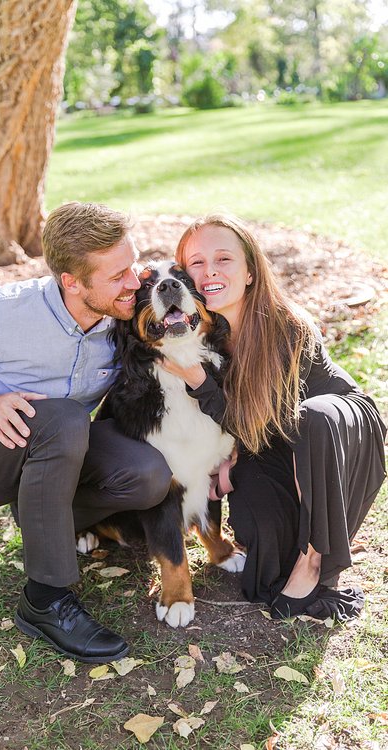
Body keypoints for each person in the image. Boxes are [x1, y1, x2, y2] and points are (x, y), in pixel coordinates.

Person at [0, 202, 173, 663]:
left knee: (148, 475)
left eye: (134, 264)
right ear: (72, 282)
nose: (135, 282)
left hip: (59, 450)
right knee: (64, 417)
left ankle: (42, 518)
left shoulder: (121, 318)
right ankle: (45, 599)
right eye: (118, 275)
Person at [163, 214, 386, 620]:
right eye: (196, 262)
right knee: (261, 563)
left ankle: (316, 560)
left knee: (312, 417)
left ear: (250, 272)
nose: (209, 270)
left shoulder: (287, 326)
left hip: (335, 432)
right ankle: (291, 547)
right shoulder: (204, 332)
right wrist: (228, 463)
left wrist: (199, 380)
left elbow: (273, 420)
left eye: (224, 258)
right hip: (272, 442)